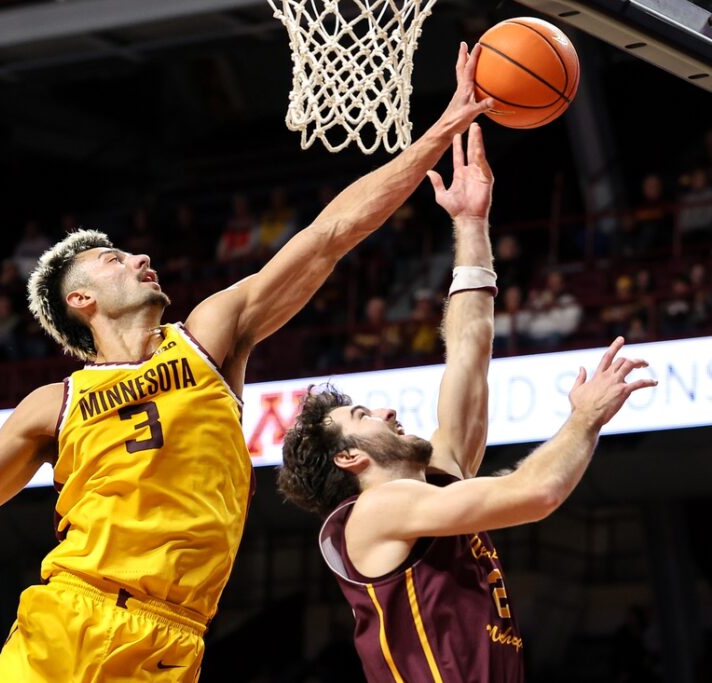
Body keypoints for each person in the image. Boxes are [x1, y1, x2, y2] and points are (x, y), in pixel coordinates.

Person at [0, 43, 494, 681]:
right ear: (81, 301)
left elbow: (330, 236)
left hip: (175, 636)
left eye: (132, 254)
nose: (138, 260)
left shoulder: (207, 338)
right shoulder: (54, 404)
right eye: (114, 260)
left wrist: (440, 132)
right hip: (72, 615)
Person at [277, 125, 658, 681]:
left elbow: (468, 354)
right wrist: (584, 419)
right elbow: (536, 492)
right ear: (348, 459)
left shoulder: (437, 481)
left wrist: (471, 224)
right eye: (362, 416)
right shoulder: (374, 511)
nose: (385, 411)